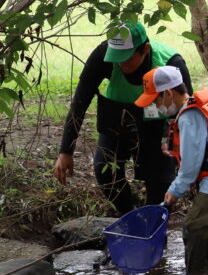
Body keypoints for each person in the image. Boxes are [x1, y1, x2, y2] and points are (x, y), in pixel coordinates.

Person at [52, 22, 192, 215]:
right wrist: (65, 151)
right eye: (116, 59)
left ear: (145, 49)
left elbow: (186, 111)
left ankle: (153, 225)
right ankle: (129, 215)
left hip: (158, 124)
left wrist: (172, 142)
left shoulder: (171, 63)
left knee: (159, 180)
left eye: (126, 59)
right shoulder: (103, 55)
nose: (121, 64)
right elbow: (80, 102)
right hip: (117, 117)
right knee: (104, 169)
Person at [135, 66, 208, 274]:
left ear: (168, 93)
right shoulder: (196, 107)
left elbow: (190, 168)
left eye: (155, 100)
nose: (155, 106)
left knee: (194, 229)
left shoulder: (189, 116)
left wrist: (174, 192)